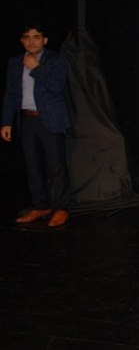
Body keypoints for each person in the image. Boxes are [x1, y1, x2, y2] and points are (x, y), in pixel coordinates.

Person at [2, 22, 72, 227]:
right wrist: (6, 122)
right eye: (27, 37)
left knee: (56, 166)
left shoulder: (56, 60)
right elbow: (11, 93)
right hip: (27, 119)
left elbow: (57, 87)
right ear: (21, 40)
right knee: (33, 166)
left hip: (50, 119)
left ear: (45, 40)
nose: (31, 41)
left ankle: (61, 208)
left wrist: (36, 69)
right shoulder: (15, 62)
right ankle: (41, 205)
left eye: (36, 37)